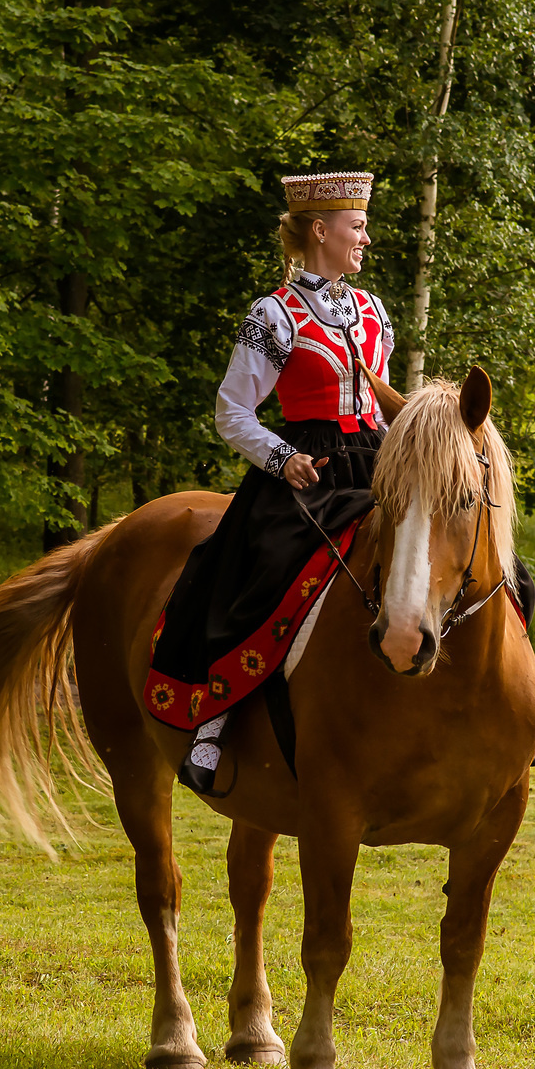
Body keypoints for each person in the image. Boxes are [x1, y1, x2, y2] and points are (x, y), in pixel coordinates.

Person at [146, 172, 400, 794]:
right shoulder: (273, 315)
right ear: (321, 230)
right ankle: (216, 718)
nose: (366, 238)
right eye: (357, 226)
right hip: (305, 468)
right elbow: (232, 412)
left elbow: (386, 399)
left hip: (377, 459)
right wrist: (282, 457)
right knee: (261, 569)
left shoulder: (372, 310)